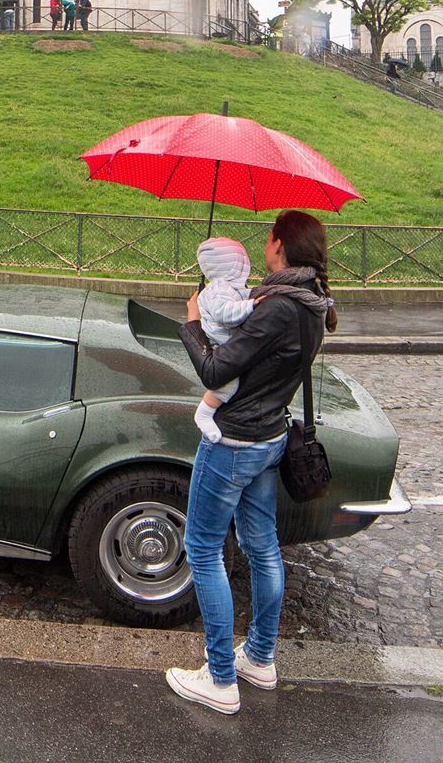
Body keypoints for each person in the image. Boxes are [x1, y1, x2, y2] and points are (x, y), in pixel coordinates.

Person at [165, 210, 336, 716]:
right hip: (271, 438)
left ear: (280, 244)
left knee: (202, 549)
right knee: (262, 547)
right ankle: (259, 656)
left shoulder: (279, 306)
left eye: (268, 238)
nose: (263, 246)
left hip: (235, 441)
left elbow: (215, 367)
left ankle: (220, 678)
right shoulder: (309, 303)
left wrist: (194, 323)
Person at [191, 238, 256, 442]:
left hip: (226, 343)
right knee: (229, 384)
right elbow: (224, 315)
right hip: (219, 344)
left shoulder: (226, 288)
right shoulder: (219, 289)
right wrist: (251, 306)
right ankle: (205, 412)